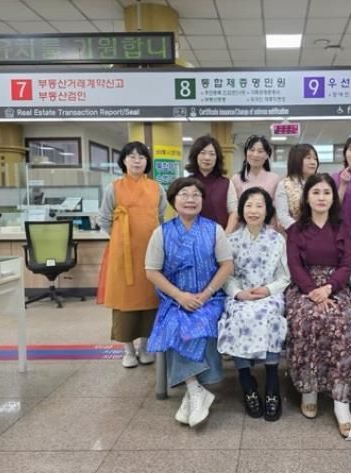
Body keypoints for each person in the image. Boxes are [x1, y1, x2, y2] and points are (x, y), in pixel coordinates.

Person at [145, 177, 234, 427]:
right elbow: (152, 271)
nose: (190, 199)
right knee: (175, 324)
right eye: (184, 194)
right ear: (173, 200)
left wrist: (206, 294)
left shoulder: (214, 230)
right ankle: (195, 389)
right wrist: (179, 296)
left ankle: (192, 393)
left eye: (196, 195)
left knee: (202, 323)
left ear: (202, 201)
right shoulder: (161, 233)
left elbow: (227, 265)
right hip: (175, 298)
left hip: (210, 297)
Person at [285, 173, 351, 438]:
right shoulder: (295, 230)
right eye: (315, 192)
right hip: (303, 287)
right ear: (306, 197)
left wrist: (328, 288)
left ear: (333, 197)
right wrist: (312, 290)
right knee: (306, 318)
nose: (321, 197)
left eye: (326, 192)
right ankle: (309, 389)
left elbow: (347, 264)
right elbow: (294, 265)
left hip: (336, 286)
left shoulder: (343, 228)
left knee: (339, 321)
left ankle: (341, 401)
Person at [217, 187, 290, 421]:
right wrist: (239, 293)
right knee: (239, 317)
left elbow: (285, 276)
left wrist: (268, 290)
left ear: (267, 210)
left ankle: (272, 381)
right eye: (248, 205)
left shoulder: (278, 239)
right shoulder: (231, 240)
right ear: (241, 209)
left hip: (269, 295)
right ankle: (246, 381)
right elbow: (226, 276)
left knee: (270, 317)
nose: (254, 210)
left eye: (259, 205)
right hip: (241, 295)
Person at [98, 141, 166, 369]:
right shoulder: (113, 188)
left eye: (142, 157)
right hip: (122, 254)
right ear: (124, 160)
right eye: (132, 156)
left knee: (150, 300)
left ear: (147, 161)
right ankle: (127, 350)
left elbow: (161, 218)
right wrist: (120, 238)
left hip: (151, 253)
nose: (137, 161)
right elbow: (104, 219)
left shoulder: (157, 188)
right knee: (124, 302)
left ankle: (145, 347)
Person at [186, 135, 239, 233]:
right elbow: (181, 212)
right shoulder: (186, 183)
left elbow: (234, 212)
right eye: (203, 153)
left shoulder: (226, 183)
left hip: (220, 236)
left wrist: (226, 235)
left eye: (212, 154)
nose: (207, 157)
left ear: (217, 158)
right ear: (195, 155)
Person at [275, 144, 319, 230]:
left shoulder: (320, 182)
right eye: (308, 158)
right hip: (296, 232)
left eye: (315, 159)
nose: (313, 162)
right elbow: (283, 216)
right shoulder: (285, 184)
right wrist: (301, 231)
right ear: (296, 160)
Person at [231, 135, 281, 199]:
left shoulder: (275, 179)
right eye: (252, 150)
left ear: (267, 155)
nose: (255, 155)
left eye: (260, 151)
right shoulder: (236, 179)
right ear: (246, 153)